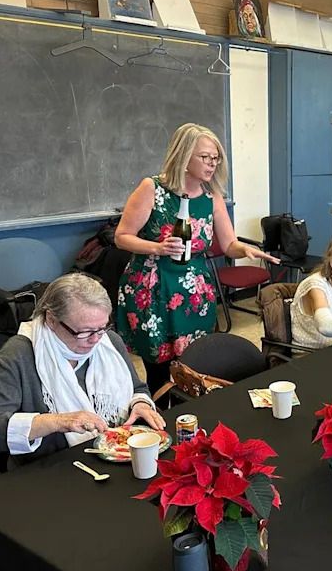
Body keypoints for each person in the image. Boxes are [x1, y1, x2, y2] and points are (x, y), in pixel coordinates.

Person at [114, 123, 278, 392]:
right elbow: (122, 236)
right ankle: (162, 418)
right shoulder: (151, 189)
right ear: (183, 154)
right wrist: (158, 248)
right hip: (153, 290)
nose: (212, 164)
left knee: (196, 363)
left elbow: (229, 244)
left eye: (216, 158)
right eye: (205, 157)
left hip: (194, 294)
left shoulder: (212, 197)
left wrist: (245, 251)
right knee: (159, 366)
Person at [0, 274, 165, 466]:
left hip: (114, 455)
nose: (96, 339)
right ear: (51, 320)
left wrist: (140, 404)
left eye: (102, 327)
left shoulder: (109, 342)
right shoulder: (17, 357)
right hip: (50, 468)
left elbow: (137, 388)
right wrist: (57, 421)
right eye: (84, 332)